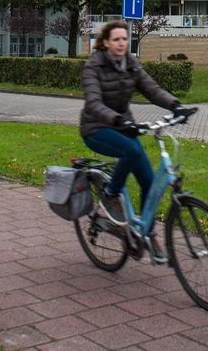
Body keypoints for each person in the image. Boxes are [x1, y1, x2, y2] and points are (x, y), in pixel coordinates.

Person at [79, 20, 192, 261]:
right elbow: (93, 103)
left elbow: (151, 89)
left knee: (149, 183)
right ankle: (111, 193)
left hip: (124, 127)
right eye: (116, 39)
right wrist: (118, 120)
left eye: (124, 39)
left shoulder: (131, 64)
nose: (122, 43)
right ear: (106, 42)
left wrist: (175, 106)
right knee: (131, 150)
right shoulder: (93, 66)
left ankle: (146, 233)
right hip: (96, 128)